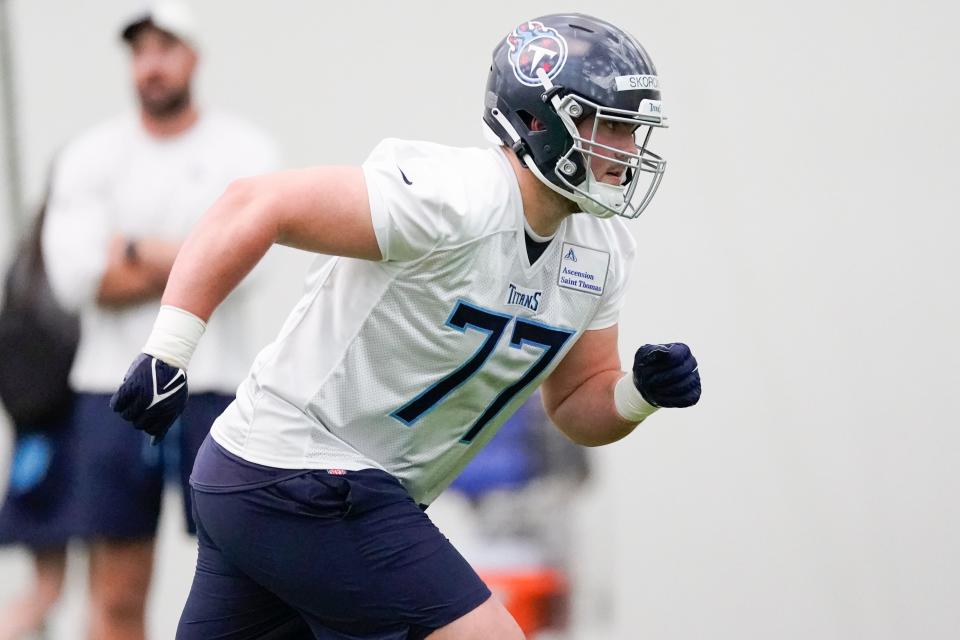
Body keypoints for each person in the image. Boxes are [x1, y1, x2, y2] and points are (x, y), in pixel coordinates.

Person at [111, 13, 702, 640]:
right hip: (304, 470)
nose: (627, 150)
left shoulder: (604, 249)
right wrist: (168, 350)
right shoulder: (454, 197)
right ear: (541, 119)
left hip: (274, 481)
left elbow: (577, 404)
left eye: (631, 130)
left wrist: (638, 394)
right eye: (608, 125)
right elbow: (255, 205)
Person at [34, 2, 280, 638]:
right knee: (115, 593)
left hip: (218, 391)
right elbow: (79, 279)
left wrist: (135, 249)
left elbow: (249, 271)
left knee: (244, 585)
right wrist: (201, 251)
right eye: (140, 51)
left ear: (193, 57)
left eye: (167, 48)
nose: (153, 64)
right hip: (110, 394)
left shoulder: (244, 149)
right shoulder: (90, 155)